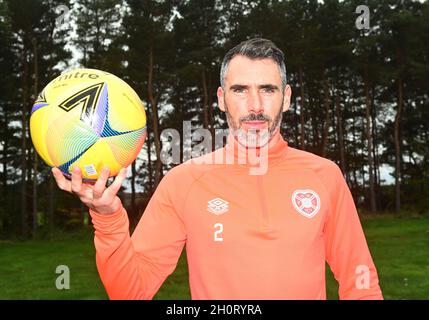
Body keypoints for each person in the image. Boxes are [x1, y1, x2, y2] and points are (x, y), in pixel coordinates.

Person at [52, 38, 383, 300]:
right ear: (222, 98)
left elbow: (361, 281)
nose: (255, 106)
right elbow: (130, 292)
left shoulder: (324, 175)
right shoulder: (184, 182)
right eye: (240, 90)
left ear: (287, 97)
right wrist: (108, 218)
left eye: (267, 89)